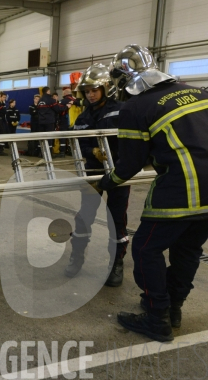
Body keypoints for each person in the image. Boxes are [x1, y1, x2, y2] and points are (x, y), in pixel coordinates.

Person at [97, 44, 208, 342]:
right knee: (188, 250)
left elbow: (130, 163)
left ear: (122, 79)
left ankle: (156, 316)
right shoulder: (199, 92)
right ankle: (174, 308)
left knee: (146, 249)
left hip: (180, 189)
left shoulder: (135, 107)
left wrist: (108, 181)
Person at [65, 64, 130, 288]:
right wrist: (90, 151)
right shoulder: (82, 118)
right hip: (92, 173)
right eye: (87, 91)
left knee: (117, 219)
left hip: (119, 172)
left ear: (105, 88)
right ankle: (77, 257)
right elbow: (77, 144)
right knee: (84, 217)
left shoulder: (122, 110)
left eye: (95, 90)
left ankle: (116, 264)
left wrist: (116, 154)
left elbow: (132, 139)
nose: (91, 95)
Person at [37, 87, 69, 156]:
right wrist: (67, 107)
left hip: (41, 121)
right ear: (48, 91)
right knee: (49, 138)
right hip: (49, 122)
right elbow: (58, 109)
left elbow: (38, 110)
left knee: (41, 137)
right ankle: (49, 153)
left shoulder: (40, 100)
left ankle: (40, 152)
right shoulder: (51, 100)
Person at [56, 88, 78, 157]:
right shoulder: (76, 100)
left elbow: (58, 110)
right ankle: (71, 151)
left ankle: (62, 152)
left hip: (64, 121)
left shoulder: (62, 101)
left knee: (62, 136)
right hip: (74, 121)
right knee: (71, 137)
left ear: (65, 93)